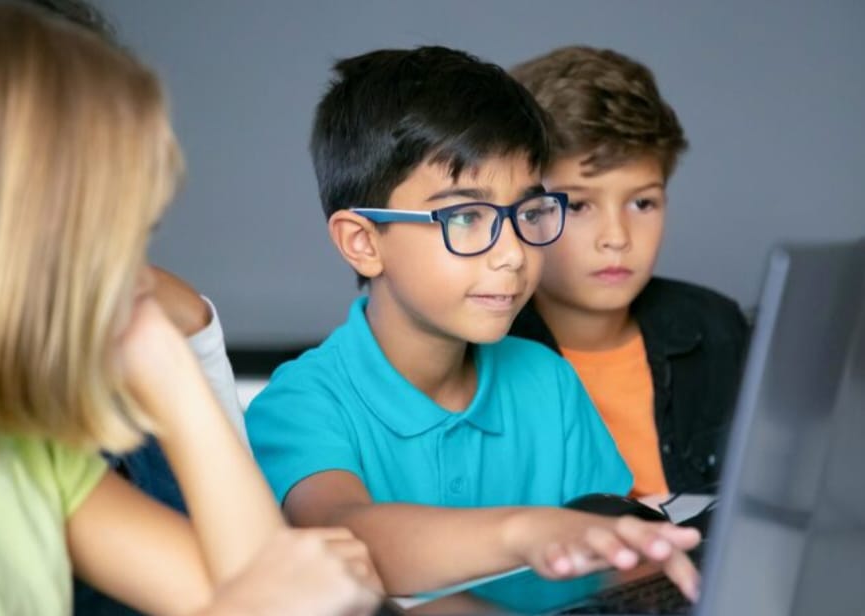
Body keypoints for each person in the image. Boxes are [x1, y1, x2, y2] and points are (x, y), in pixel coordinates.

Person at [245, 45, 702, 601]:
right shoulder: (303, 402)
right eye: (465, 216)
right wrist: (524, 531)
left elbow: (605, 568)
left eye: (528, 212)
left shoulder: (548, 381)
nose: (511, 253)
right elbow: (344, 538)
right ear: (363, 242)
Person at [0, 5, 379, 615]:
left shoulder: (30, 449)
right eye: (113, 235)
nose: (140, 278)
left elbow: (278, 591)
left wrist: (173, 371)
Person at [509, 46, 750, 497]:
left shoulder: (717, 329)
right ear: (519, 209)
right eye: (578, 205)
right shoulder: (483, 357)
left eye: (642, 203)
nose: (616, 237)